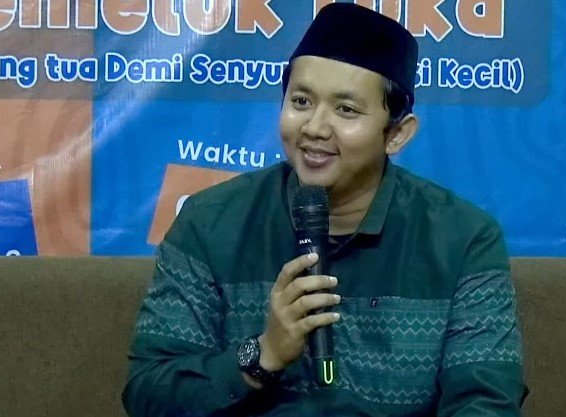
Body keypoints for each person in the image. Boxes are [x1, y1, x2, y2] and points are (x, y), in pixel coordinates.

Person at [122, 3, 527, 416]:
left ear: (397, 134)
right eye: (301, 101)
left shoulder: (463, 239)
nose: (314, 128)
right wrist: (262, 355)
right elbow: (148, 394)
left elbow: (487, 402)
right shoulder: (209, 222)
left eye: (345, 110)